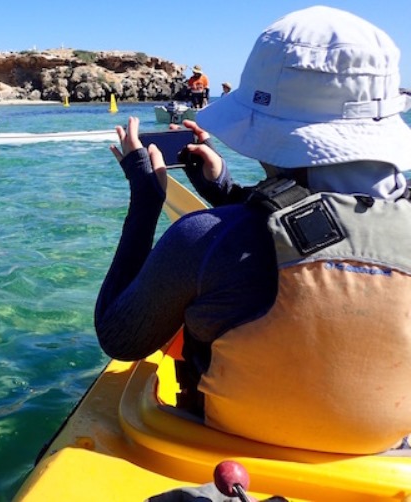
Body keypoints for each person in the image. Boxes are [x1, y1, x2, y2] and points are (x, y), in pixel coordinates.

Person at [95, 5, 411, 455]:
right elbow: (344, 229)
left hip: (220, 454)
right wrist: (224, 190)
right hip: (386, 461)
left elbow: (119, 337)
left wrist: (147, 200)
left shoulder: (204, 238)